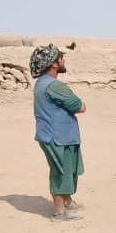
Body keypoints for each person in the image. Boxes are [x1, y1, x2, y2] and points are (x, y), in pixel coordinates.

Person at [30, 44, 86, 221]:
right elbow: (80, 106)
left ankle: (67, 201)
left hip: (60, 135)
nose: (64, 61)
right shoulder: (55, 86)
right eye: (61, 58)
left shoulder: (42, 84)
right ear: (54, 64)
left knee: (69, 169)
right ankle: (59, 211)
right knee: (60, 171)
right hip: (57, 137)